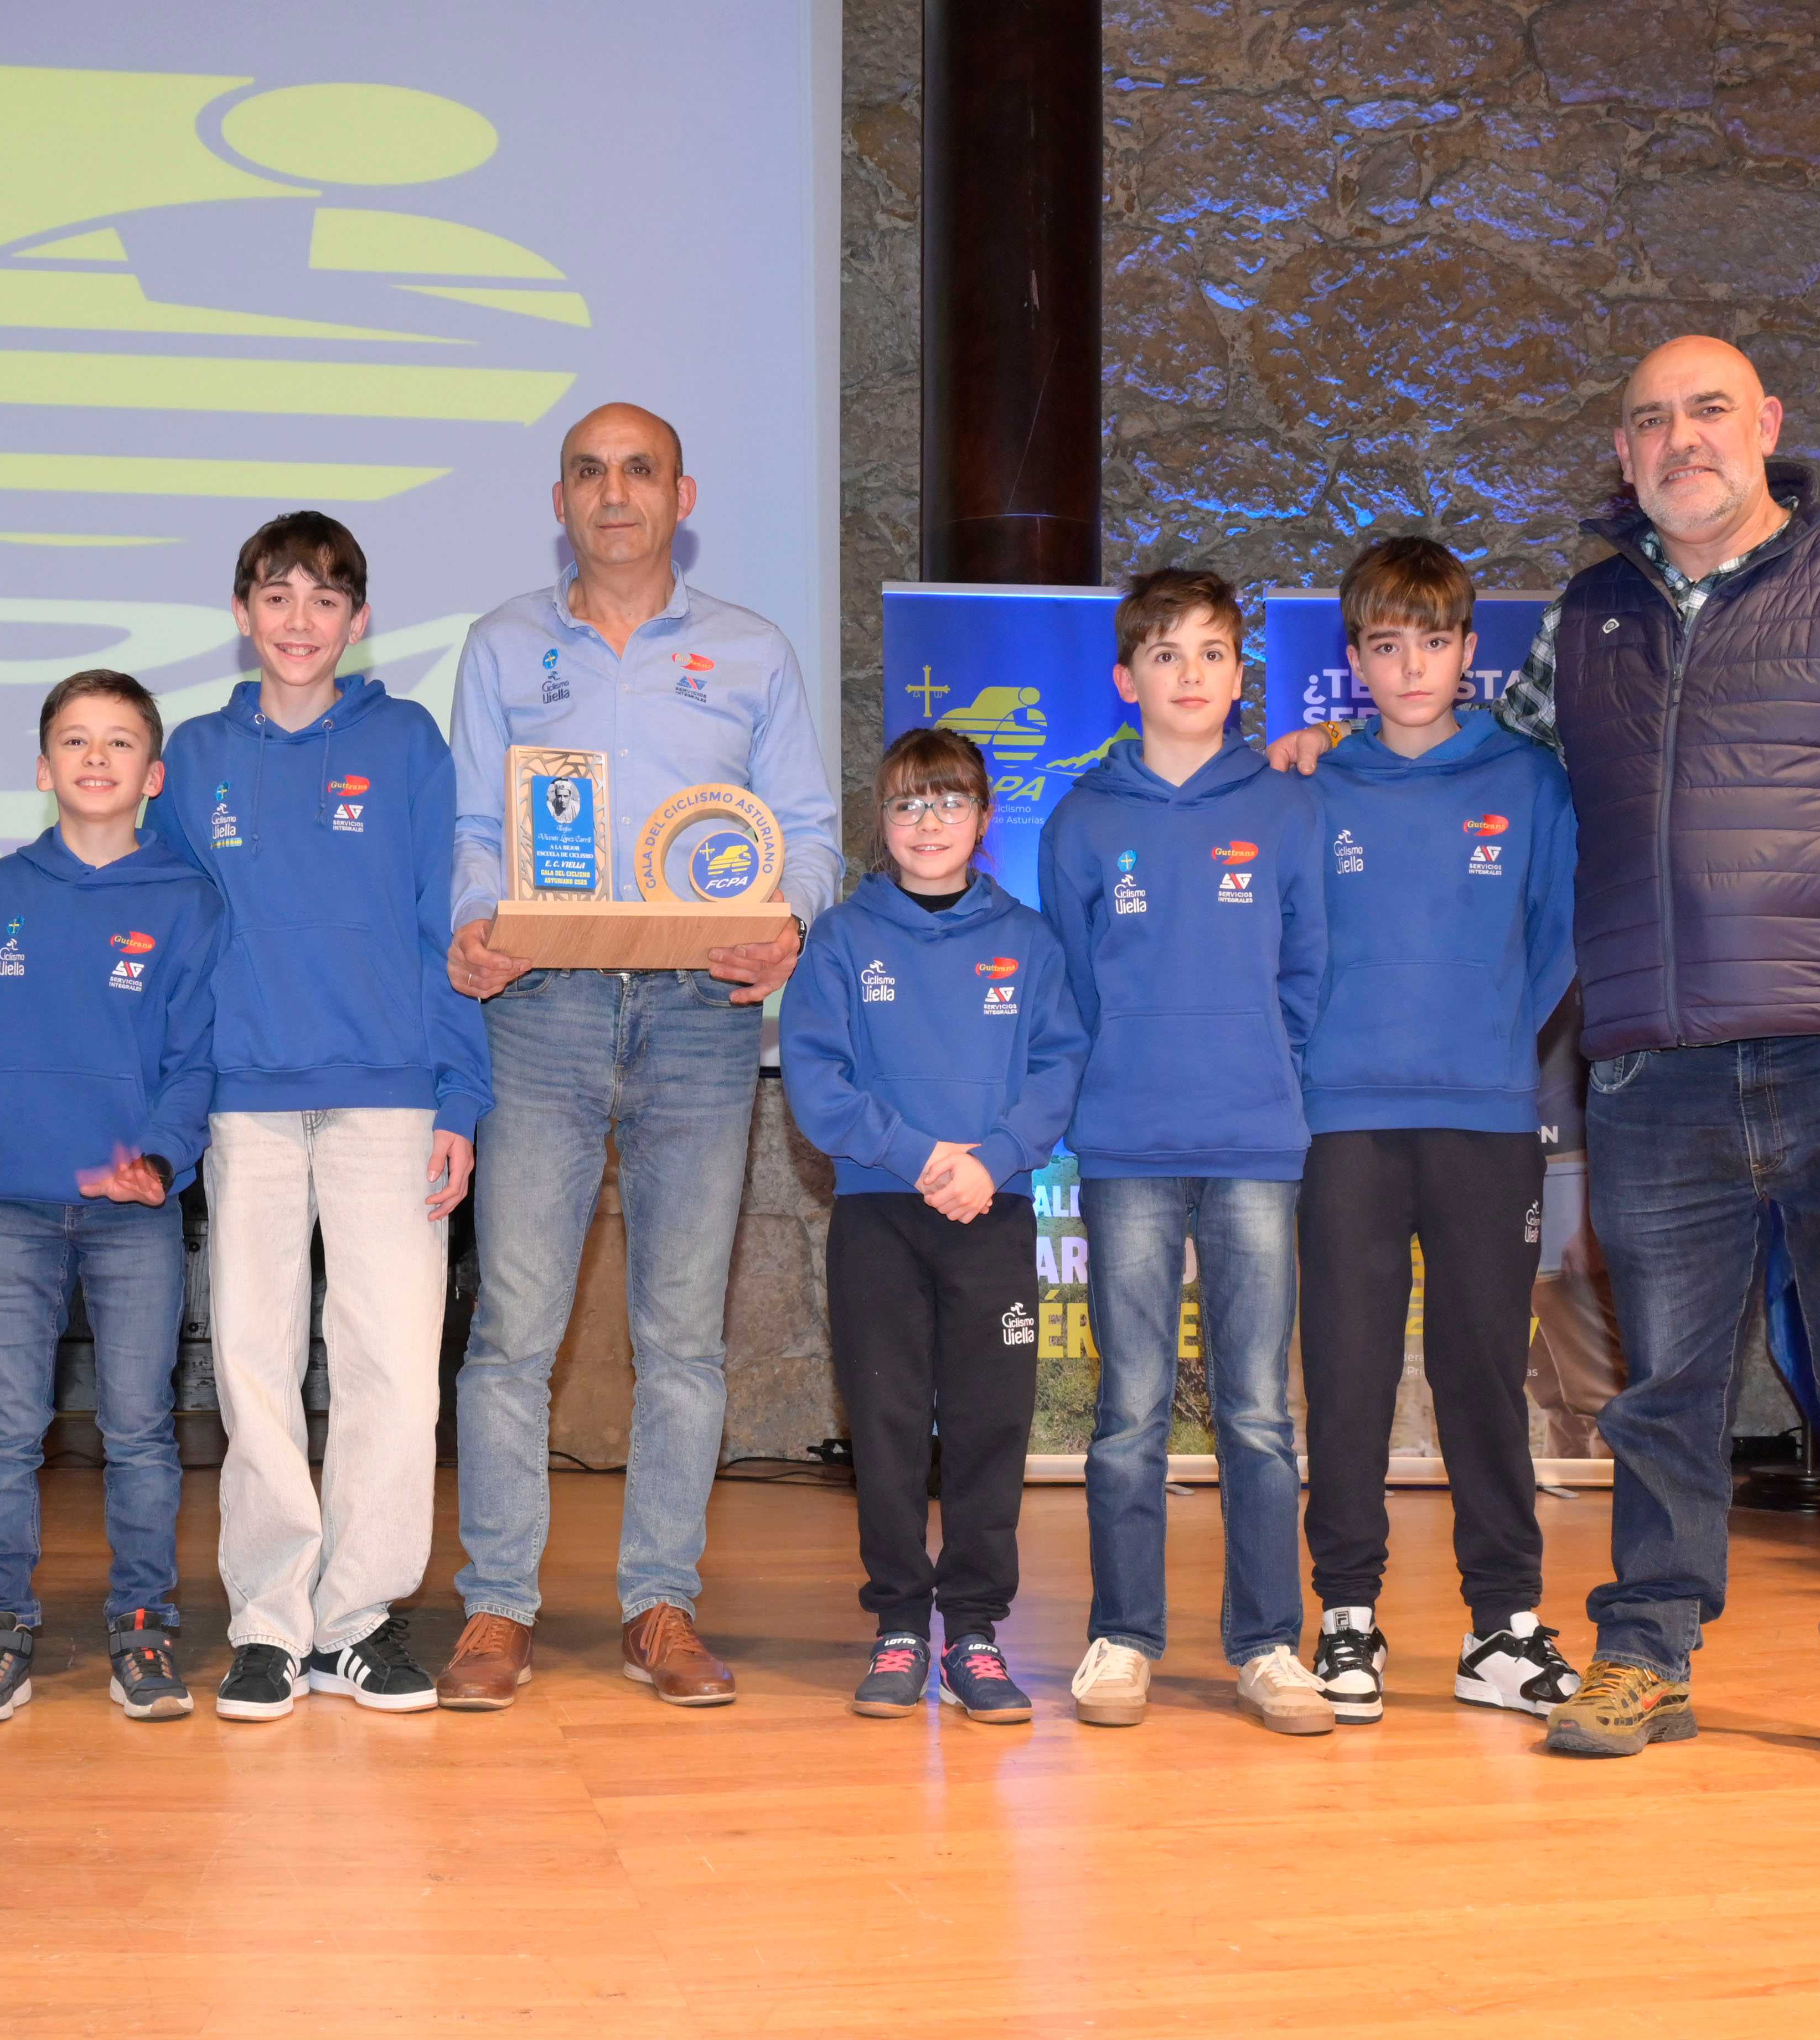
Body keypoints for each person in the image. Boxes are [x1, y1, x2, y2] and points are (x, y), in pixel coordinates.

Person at [1273, 335, 1820, 1781]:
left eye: (1708, 413)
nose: (1681, 441)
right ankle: (1646, 1650)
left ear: (1766, 428)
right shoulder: (1587, 623)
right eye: (1650, 424)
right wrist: (1333, 752)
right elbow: (1478, 755)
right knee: (1664, 1385)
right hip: (1652, 1068)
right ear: (1623, 461)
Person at [437, 402, 842, 1710]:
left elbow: (811, 834)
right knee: (511, 1331)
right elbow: (468, 828)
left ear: (683, 494)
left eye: (640, 471)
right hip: (541, 1011)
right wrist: (471, 928)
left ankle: (660, 1605)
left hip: (699, 1015)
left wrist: (790, 924)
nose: (615, 493)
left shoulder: (751, 651)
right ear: (560, 498)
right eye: (590, 472)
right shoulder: (503, 644)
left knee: (683, 1337)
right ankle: (498, 1608)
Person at [162, 512, 488, 1721]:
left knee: (394, 1372)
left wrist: (462, 1096)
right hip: (243, 1102)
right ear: (243, 613)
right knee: (251, 1363)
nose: (300, 620)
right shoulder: (190, 756)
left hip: (394, 1099)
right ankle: (267, 1621)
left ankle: (355, 1622)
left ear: (359, 621)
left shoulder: (408, 742)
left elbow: (443, 926)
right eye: (276, 595)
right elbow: (154, 912)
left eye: (324, 599)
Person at [1038, 566, 1332, 1735]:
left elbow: (1309, 976)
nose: (1192, 675)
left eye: (1213, 653)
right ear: (1126, 680)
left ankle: (1268, 1644)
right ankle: (1124, 1637)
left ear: (1240, 676)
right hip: (1125, 1151)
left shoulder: (1287, 807)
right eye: (1167, 655)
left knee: (1260, 1411)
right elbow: (1064, 989)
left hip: (1257, 1142)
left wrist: (1268, 1071)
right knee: (1130, 1410)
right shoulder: (1081, 820)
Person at [1295, 537, 1580, 1723]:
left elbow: (1559, 939)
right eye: (1385, 645)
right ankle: (1348, 1619)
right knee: (1348, 1371)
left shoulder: (1532, 779)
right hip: (1345, 1123)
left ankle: (1500, 1628)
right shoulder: (1312, 783)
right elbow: (1286, 950)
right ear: (1355, 659)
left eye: (1434, 643)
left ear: (1471, 651)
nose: (1411, 667)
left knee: (1480, 1370)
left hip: (1485, 1119)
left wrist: (1488, 1054)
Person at [780, 727, 1088, 1723]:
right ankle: (901, 1627)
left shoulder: (1030, 941)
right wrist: (918, 1158)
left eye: (951, 802)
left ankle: (980, 1633)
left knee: (994, 1426)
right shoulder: (841, 937)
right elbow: (817, 1080)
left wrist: (988, 1162)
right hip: (881, 1215)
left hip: (990, 1214)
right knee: (889, 1425)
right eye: (910, 804)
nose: (929, 823)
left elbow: (1058, 1071)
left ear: (985, 818)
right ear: (883, 818)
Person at [0, 669, 222, 1727]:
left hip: (136, 1216)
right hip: (12, 1206)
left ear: (152, 774)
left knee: (142, 1430)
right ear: (43, 766)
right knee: (7, 1432)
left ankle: (144, 1630)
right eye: (73, 740)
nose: (95, 758)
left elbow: (196, 1059)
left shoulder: (191, 901)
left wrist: (158, 1154)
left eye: (117, 744)